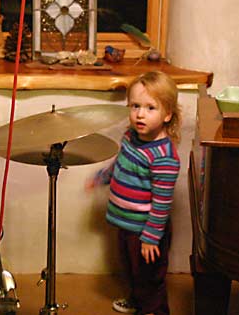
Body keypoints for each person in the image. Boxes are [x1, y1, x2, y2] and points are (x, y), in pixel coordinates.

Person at [86, 71, 181, 315]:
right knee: (131, 270)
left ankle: (154, 310)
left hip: (146, 230)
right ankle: (137, 299)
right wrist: (102, 177)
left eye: (151, 108)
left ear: (167, 114)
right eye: (135, 106)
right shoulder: (131, 136)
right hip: (125, 224)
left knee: (150, 277)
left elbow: (161, 204)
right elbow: (121, 163)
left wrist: (150, 237)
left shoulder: (164, 157)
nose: (140, 114)